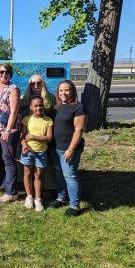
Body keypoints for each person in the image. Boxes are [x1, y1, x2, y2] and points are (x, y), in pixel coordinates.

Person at [50, 80, 87, 217]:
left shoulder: (78, 107)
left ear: (72, 91)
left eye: (66, 90)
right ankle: (61, 197)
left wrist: (71, 149)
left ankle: (75, 206)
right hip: (55, 148)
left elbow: (79, 130)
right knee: (59, 175)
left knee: (70, 176)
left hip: (69, 149)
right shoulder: (57, 107)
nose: (63, 93)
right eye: (61, 90)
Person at [0, 63, 22, 202]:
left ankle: (11, 192)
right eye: (1, 72)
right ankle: (1, 184)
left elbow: (14, 111)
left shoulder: (13, 89)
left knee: (8, 160)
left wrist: (8, 129)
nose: (4, 74)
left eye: (7, 72)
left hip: (8, 129)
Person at [20, 96, 53, 212]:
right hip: (27, 151)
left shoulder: (48, 120)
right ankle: (29, 196)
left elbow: (49, 138)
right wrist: (24, 145)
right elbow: (22, 137)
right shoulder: (26, 119)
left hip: (41, 152)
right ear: (31, 107)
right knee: (27, 172)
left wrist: (33, 136)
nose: (38, 108)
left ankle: (38, 198)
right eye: (35, 106)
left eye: (40, 105)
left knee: (38, 175)